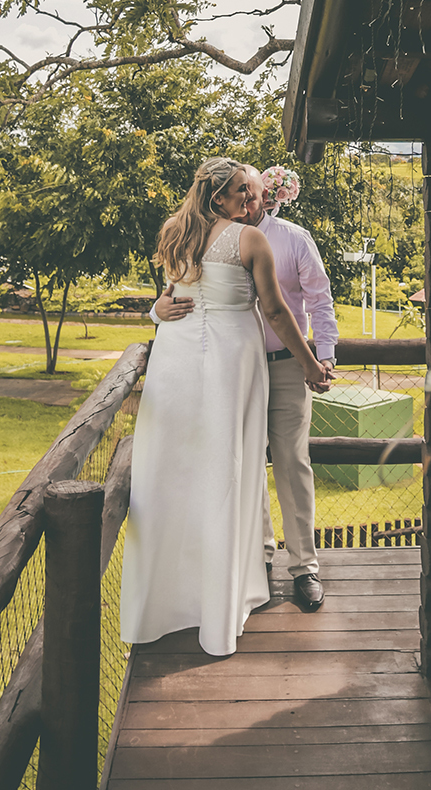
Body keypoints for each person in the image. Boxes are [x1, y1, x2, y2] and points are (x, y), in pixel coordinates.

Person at [119, 157, 329, 656]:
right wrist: (312, 364)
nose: (254, 200)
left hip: (180, 365)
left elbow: (175, 292)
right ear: (218, 197)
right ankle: (222, 592)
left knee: (184, 473)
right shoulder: (248, 239)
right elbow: (272, 310)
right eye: (243, 192)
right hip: (228, 362)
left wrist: (158, 312)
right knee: (229, 470)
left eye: (253, 192)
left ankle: (195, 592)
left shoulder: (176, 232)